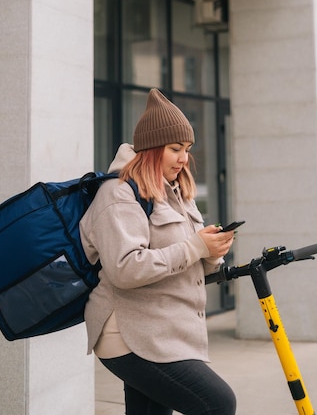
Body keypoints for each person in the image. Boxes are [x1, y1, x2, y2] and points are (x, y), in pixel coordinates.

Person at [80, 88, 237, 415]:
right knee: (218, 404)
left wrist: (211, 252)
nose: (184, 158)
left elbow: (189, 263)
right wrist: (195, 247)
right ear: (151, 149)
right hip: (128, 335)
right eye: (175, 148)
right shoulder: (118, 193)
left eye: (187, 149)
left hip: (162, 332)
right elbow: (125, 269)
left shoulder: (178, 193)